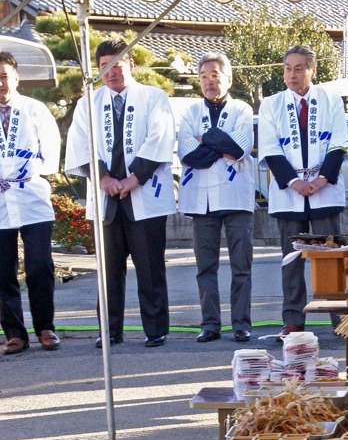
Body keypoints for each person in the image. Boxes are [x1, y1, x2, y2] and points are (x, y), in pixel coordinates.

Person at [65, 38, 176, 348]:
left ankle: (155, 330)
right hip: (105, 197)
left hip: (143, 195)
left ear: (131, 65)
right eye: (103, 67)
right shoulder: (89, 100)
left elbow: (160, 136)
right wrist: (102, 178)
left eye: (116, 65)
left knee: (150, 267)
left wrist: (133, 179)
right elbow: (79, 142)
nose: (109, 72)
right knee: (108, 271)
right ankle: (110, 330)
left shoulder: (153, 97)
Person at [258, 45, 348, 338]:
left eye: (299, 68)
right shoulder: (271, 104)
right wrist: (294, 182)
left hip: (325, 190)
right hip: (288, 193)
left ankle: (340, 320)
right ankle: (294, 322)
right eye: (287, 68)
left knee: (331, 259)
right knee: (291, 261)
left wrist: (321, 179)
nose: (291, 74)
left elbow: (338, 143)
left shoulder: (331, 100)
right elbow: (270, 148)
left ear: (313, 71)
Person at [177, 53, 254, 343]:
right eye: (204, 76)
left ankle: (241, 323)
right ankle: (210, 324)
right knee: (205, 266)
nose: (210, 81)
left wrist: (204, 138)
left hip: (236, 197)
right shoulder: (189, 111)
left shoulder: (242, 109)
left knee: (241, 265)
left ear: (228, 79)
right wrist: (218, 143)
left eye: (215, 75)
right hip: (201, 200)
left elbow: (239, 148)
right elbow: (187, 155)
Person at [0, 51, 61, 355]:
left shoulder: (35, 110)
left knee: (39, 264)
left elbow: (50, 154)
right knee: (2, 270)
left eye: (4, 76)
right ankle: (14, 333)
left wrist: (30, 169)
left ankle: (45, 327)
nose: (0, 83)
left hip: (32, 195)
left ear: (16, 78)